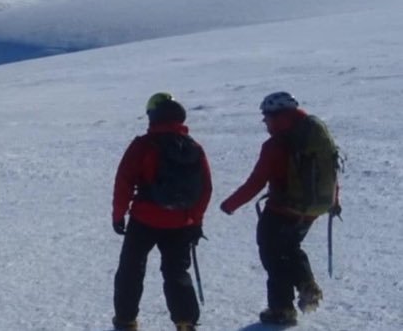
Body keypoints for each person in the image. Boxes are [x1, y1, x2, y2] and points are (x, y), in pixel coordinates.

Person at [219, 92, 342, 326]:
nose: (265, 122)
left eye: (266, 116)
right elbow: (330, 171)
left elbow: (256, 181)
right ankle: (306, 284)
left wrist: (230, 204)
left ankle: (282, 309)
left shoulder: (277, 144)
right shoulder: (315, 135)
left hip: (282, 209)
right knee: (290, 247)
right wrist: (334, 200)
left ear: (276, 116)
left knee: (273, 256)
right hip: (313, 209)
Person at [111, 93, 212, 331]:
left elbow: (124, 182)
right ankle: (185, 322)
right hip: (181, 222)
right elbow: (205, 188)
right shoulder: (193, 147)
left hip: (144, 219)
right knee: (176, 272)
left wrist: (118, 215)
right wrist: (195, 220)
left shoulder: (143, 145)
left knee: (131, 269)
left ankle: (126, 320)